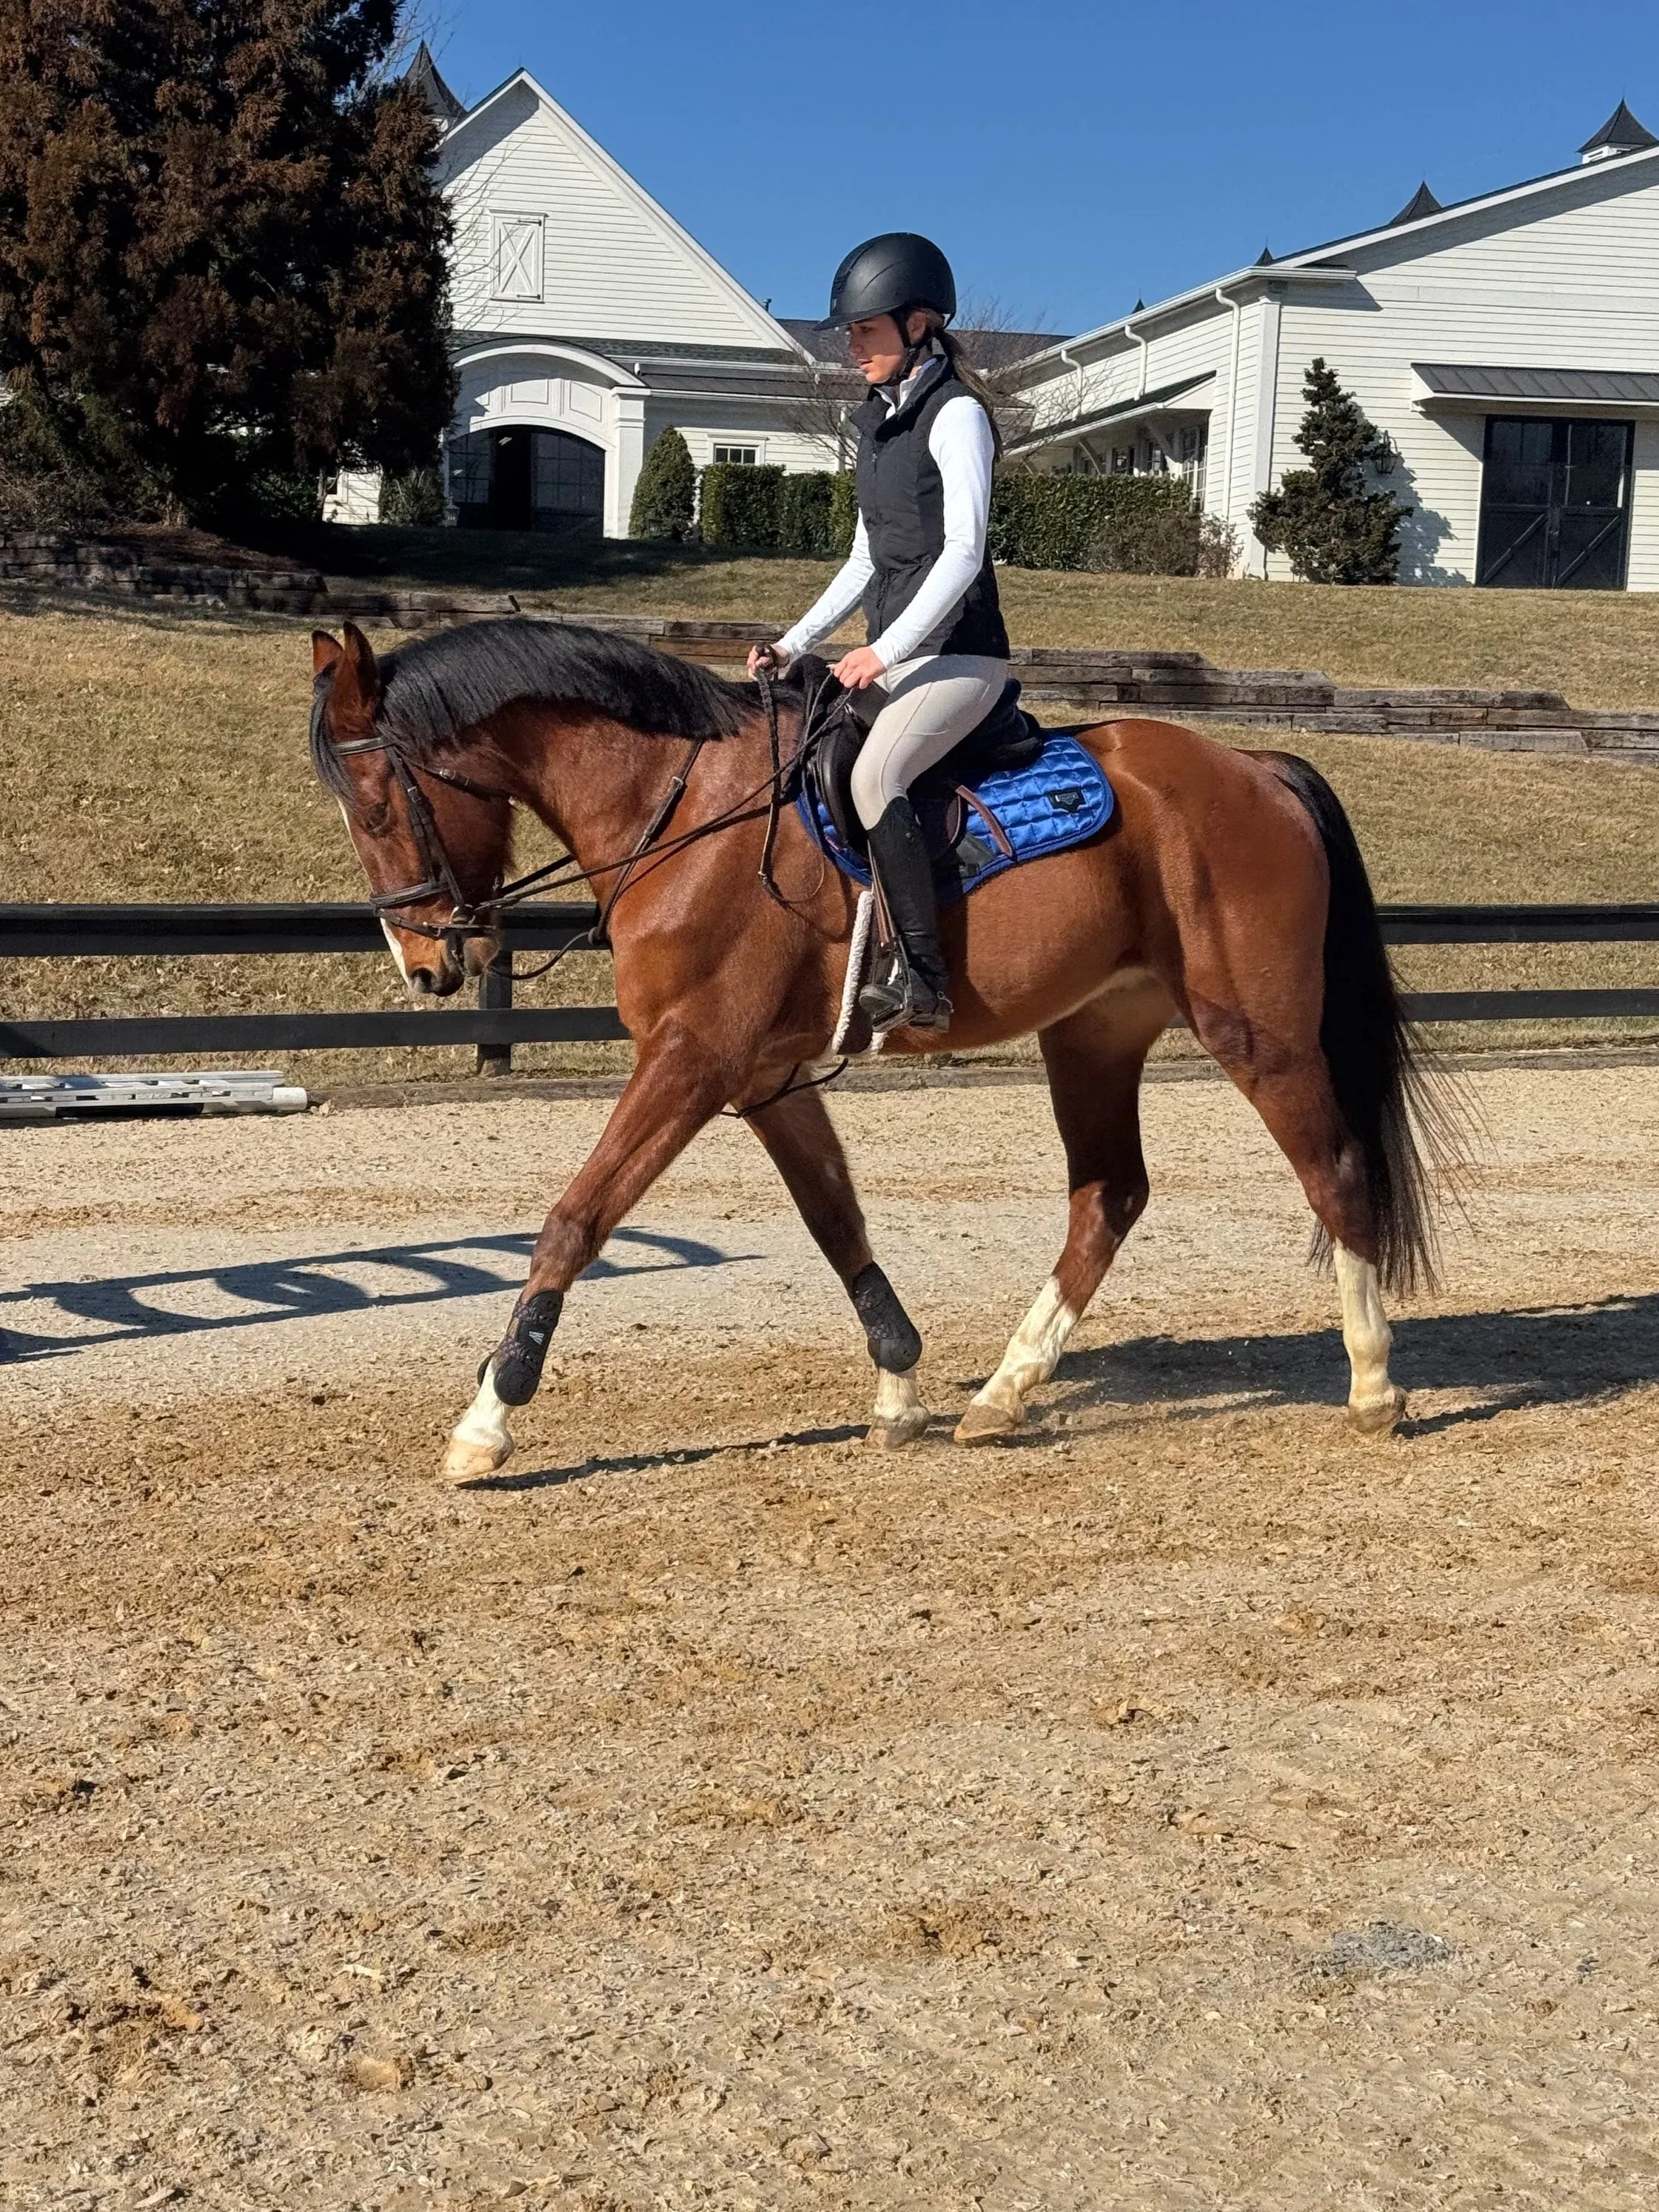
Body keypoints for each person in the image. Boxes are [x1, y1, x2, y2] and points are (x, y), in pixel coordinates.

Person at [749, 232, 1010, 1036]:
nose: (849, 346)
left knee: (875, 780)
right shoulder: (877, 424)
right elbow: (866, 557)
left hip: (962, 658)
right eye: (849, 332)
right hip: (897, 660)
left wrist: (885, 650)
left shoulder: (958, 414)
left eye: (865, 331)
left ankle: (925, 980)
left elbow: (965, 552)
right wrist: (794, 643)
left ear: (921, 324)